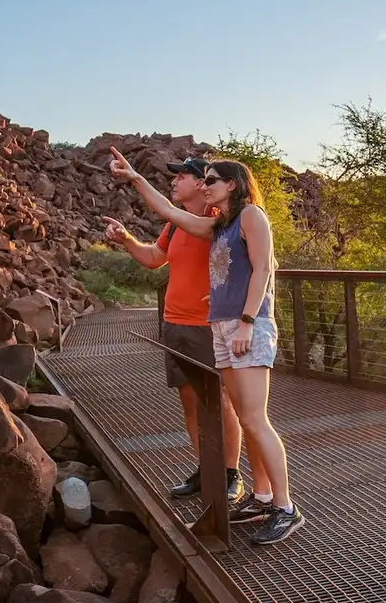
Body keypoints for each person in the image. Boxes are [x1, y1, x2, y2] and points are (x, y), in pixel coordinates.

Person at [109, 148, 303, 544]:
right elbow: (169, 212)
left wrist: (246, 321)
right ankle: (263, 498)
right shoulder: (219, 225)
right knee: (245, 416)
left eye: (211, 180)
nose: (205, 186)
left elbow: (264, 270)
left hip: (246, 327)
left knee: (254, 419)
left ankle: (286, 508)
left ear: (232, 184)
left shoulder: (251, 215)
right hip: (222, 327)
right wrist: (134, 177)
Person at [101, 156, 269, 504]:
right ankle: (207, 469)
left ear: (201, 183)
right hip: (176, 324)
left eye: (183, 176)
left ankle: (231, 474)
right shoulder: (175, 226)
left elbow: (259, 267)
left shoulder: (223, 222)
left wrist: (245, 317)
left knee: (223, 404)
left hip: (211, 326)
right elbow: (153, 258)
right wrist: (126, 238)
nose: (175, 182)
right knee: (191, 402)